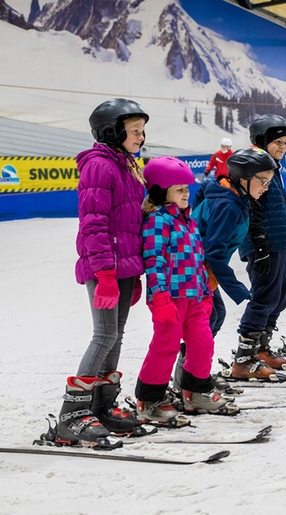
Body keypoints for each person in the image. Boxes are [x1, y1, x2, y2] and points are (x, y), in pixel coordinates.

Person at [54, 98, 150, 448]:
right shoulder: (100, 167)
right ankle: (72, 414)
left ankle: (102, 405)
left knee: (117, 334)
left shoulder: (125, 165)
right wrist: (106, 274)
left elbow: (130, 224)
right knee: (104, 335)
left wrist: (132, 272)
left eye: (142, 131)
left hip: (122, 267)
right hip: (103, 267)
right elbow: (94, 226)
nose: (141, 137)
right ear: (113, 131)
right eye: (135, 131)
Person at [135, 157, 239, 424]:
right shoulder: (158, 221)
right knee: (166, 346)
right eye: (179, 189)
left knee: (204, 343)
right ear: (161, 191)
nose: (186, 193)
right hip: (169, 298)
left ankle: (195, 392)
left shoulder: (189, 222)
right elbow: (154, 260)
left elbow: (198, 261)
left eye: (186, 188)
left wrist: (205, 293)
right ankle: (150, 398)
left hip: (194, 297)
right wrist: (159, 296)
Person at [191, 147, 281, 381]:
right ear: (244, 179)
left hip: (201, 268)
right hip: (194, 269)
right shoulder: (228, 205)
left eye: (268, 182)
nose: (265, 187)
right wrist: (237, 289)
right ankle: (191, 379)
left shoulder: (235, 198)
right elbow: (214, 252)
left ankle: (193, 376)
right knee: (208, 319)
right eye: (262, 181)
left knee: (214, 316)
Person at [235, 115, 286, 366]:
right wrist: (257, 243)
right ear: (261, 141)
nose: (282, 146)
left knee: (279, 297)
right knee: (263, 297)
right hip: (264, 244)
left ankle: (261, 348)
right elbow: (250, 207)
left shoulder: (273, 167)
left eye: (285, 141)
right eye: (277, 141)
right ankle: (245, 354)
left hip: (279, 241)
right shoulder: (253, 166)